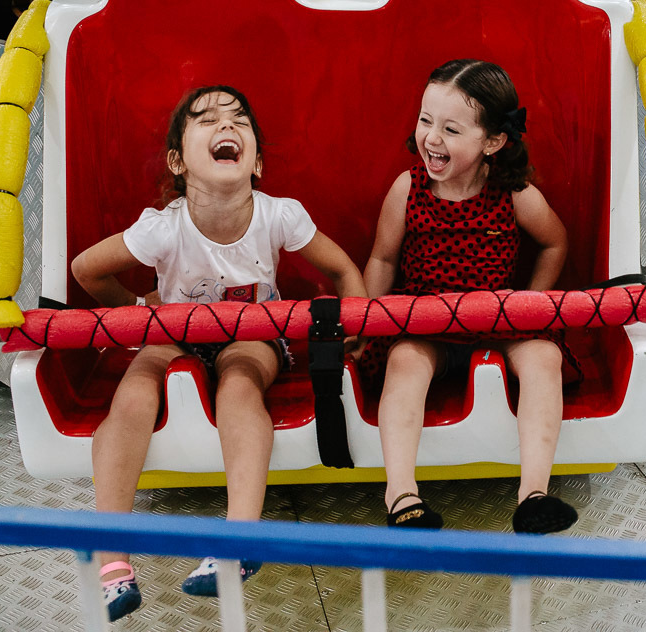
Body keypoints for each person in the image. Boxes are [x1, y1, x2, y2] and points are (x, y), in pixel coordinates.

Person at [70, 85, 367, 621]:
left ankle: (239, 539)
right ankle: (112, 561)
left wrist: (358, 321)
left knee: (239, 385)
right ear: (178, 162)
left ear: (257, 164)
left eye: (239, 120)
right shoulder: (163, 228)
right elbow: (85, 269)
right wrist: (140, 309)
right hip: (173, 333)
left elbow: (343, 268)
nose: (226, 125)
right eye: (206, 119)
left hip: (253, 334)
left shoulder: (280, 215)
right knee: (133, 396)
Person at [361, 59, 579, 534]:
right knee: (403, 363)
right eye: (426, 120)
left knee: (544, 358)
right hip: (426, 327)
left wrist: (531, 303)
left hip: (499, 323)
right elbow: (382, 259)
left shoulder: (513, 192)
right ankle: (401, 495)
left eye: (451, 129)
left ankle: (534, 494)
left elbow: (555, 241)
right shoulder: (408, 188)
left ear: (492, 142)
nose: (432, 138)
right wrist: (364, 324)